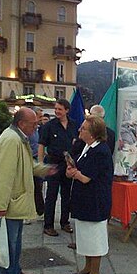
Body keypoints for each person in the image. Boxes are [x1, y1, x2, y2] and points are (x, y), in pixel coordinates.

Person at [0, 107, 56, 274]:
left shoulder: (18, 138)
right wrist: (1, 205)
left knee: (15, 242)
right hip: (7, 204)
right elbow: (4, 175)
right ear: (21, 123)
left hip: (14, 203)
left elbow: (26, 164)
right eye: (33, 124)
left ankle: (15, 272)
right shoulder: (11, 140)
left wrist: (44, 169)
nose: (36, 127)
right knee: (5, 243)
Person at [66, 115, 113, 274]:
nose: (80, 130)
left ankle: (95, 273)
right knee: (85, 236)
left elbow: (86, 178)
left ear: (93, 133)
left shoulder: (100, 151)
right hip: (85, 200)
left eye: (84, 128)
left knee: (94, 238)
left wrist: (75, 173)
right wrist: (72, 170)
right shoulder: (87, 147)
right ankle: (87, 267)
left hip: (95, 201)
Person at [39, 98, 78, 237]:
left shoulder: (74, 125)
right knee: (51, 195)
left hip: (67, 164)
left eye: (60, 109)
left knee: (67, 194)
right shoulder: (49, 126)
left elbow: (76, 143)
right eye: (56, 109)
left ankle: (64, 222)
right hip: (53, 163)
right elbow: (42, 144)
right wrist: (41, 164)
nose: (57, 111)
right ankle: (48, 225)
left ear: (67, 110)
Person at [26, 106, 45, 224]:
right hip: (29, 160)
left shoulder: (38, 129)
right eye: (39, 116)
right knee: (28, 187)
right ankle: (28, 213)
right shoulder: (28, 130)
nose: (41, 119)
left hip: (36, 160)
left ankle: (40, 211)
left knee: (37, 187)